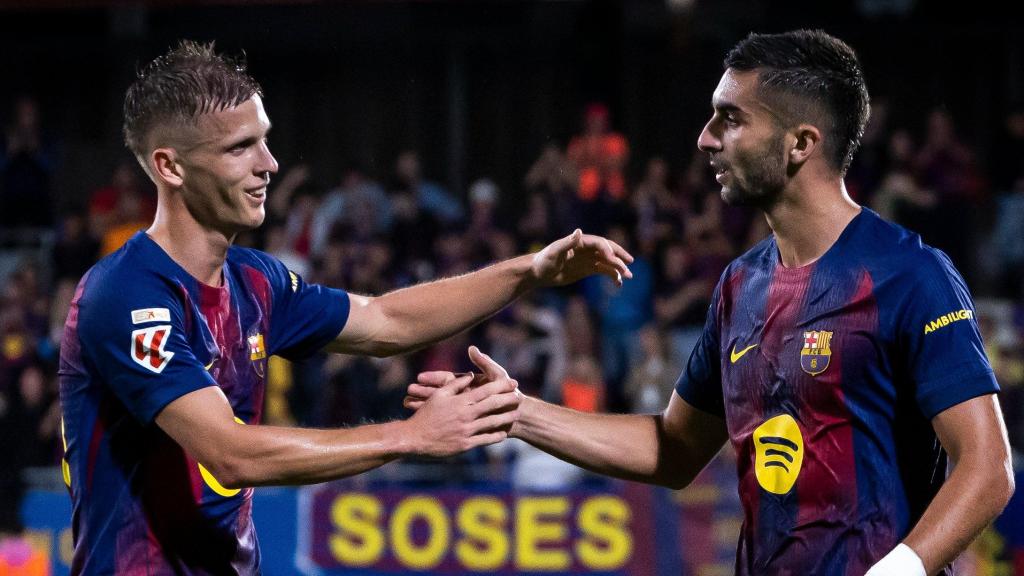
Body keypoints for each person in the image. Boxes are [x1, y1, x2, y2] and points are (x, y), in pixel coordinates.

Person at [407, 30, 1014, 576]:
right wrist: (516, 413)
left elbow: (987, 469)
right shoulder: (739, 286)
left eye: (730, 119)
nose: (705, 139)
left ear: (800, 143)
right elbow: (674, 450)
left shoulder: (908, 274)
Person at [57, 41, 633, 575]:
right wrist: (409, 437)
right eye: (240, 148)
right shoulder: (127, 296)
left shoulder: (254, 280)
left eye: (263, 138)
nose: (270, 163)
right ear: (170, 167)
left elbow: (387, 320)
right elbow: (229, 453)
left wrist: (528, 272)